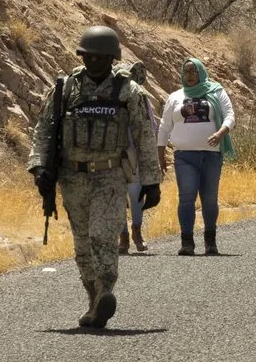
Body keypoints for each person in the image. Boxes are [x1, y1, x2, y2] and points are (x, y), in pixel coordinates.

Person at [29, 26, 163, 331]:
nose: (93, 62)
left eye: (100, 57)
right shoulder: (65, 89)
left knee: (103, 235)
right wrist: (39, 168)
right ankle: (93, 301)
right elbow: (44, 129)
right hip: (72, 177)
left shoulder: (129, 91)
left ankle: (105, 290)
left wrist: (152, 181)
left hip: (110, 176)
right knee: (82, 244)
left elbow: (144, 135)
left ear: (112, 58)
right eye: (88, 56)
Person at [162, 58, 237, 254]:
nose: (190, 75)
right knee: (186, 197)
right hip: (184, 157)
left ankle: (210, 241)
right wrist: (160, 153)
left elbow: (230, 115)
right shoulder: (175, 97)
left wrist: (221, 133)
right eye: (186, 71)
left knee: (210, 199)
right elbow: (164, 126)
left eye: (194, 71)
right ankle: (187, 242)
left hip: (211, 156)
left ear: (201, 72)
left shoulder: (216, 91)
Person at [117, 60, 161, 255]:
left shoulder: (138, 95)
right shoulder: (112, 93)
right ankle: (124, 236)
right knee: (118, 195)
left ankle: (135, 231)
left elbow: (148, 126)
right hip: (114, 151)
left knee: (134, 193)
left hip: (132, 151)